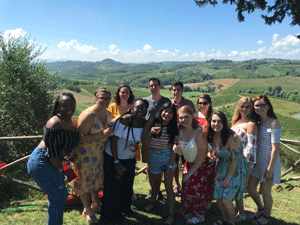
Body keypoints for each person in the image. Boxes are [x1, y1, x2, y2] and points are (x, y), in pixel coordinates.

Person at [27, 93, 79, 225]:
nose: (69, 107)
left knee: (57, 197)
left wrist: (70, 154)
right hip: (42, 161)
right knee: (59, 197)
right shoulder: (54, 122)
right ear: (58, 107)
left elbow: (67, 145)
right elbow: (52, 153)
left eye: (71, 103)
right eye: (64, 105)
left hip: (54, 160)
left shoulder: (73, 122)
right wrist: (61, 170)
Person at [100, 98, 149, 225]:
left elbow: (138, 138)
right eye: (138, 107)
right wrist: (116, 162)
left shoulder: (144, 122)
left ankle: (124, 210)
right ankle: (109, 216)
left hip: (128, 158)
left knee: (127, 186)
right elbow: (113, 141)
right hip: (113, 157)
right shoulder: (125, 119)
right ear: (133, 108)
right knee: (113, 188)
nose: (140, 110)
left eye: (143, 108)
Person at [70, 87, 113, 223]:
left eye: (108, 98)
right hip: (84, 154)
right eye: (102, 97)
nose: (105, 100)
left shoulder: (108, 113)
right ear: (95, 98)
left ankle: (95, 204)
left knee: (94, 180)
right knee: (84, 182)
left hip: (99, 153)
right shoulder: (88, 114)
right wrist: (102, 135)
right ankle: (87, 209)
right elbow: (81, 137)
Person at [207, 111, 248, 225]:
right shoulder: (211, 135)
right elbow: (213, 151)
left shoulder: (232, 137)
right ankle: (225, 219)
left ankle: (231, 221)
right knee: (219, 198)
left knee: (226, 199)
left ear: (224, 123)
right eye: (213, 121)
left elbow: (235, 160)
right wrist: (211, 155)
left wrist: (228, 178)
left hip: (236, 169)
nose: (216, 124)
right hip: (221, 167)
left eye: (219, 121)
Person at [173, 106, 211, 224]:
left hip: (202, 165)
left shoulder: (199, 132)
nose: (184, 120)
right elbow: (183, 149)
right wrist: (177, 150)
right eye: (181, 118)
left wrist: (190, 173)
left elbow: (202, 156)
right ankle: (192, 210)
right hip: (188, 163)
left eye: (186, 117)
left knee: (197, 190)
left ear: (193, 117)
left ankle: (200, 215)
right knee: (188, 189)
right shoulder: (180, 131)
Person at [248, 95, 282, 225]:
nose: (259, 108)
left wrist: (270, 169)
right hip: (258, 162)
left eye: (262, 105)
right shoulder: (258, 121)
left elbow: (275, 149)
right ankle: (261, 209)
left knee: (265, 192)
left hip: (269, 163)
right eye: (257, 105)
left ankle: (266, 218)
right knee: (250, 189)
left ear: (268, 106)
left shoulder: (274, 122)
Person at [142, 102, 178, 225]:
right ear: (161, 111)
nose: (167, 114)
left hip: (167, 156)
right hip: (153, 156)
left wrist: (171, 165)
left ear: (173, 115)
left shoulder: (173, 127)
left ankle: (171, 215)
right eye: (165, 111)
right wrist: (150, 132)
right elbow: (144, 138)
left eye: (170, 112)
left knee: (168, 186)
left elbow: (173, 146)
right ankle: (152, 203)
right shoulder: (153, 122)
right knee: (155, 184)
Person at [107, 84, 139, 201]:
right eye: (122, 92)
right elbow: (108, 122)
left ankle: (129, 191)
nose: (124, 94)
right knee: (115, 169)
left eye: (127, 92)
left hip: (130, 144)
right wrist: (121, 118)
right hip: (115, 143)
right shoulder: (112, 107)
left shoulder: (133, 106)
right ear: (118, 94)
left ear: (130, 94)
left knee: (129, 169)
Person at [142, 77, 171, 201]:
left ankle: (157, 191)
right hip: (147, 136)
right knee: (150, 165)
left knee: (161, 166)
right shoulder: (145, 101)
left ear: (160, 86)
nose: (153, 87)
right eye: (151, 86)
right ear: (149, 87)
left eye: (155, 85)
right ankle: (153, 189)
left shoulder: (166, 101)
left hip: (162, 137)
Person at [231, 97, 258, 223]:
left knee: (239, 188)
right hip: (233, 160)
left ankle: (241, 213)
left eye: (248, 107)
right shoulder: (236, 122)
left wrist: (246, 165)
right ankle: (237, 211)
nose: (245, 109)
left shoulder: (251, 124)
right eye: (243, 106)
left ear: (251, 109)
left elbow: (251, 147)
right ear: (238, 107)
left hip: (243, 162)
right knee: (235, 186)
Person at [170, 81, 196, 194]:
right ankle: (177, 184)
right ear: (172, 91)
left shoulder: (189, 103)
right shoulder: (170, 104)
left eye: (178, 89)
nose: (176, 92)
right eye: (174, 90)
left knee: (188, 159)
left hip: (187, 134)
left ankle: (189, 182)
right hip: (175, 135)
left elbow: (194, 119)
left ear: (182, 90)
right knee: (175, 160)